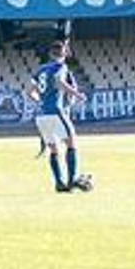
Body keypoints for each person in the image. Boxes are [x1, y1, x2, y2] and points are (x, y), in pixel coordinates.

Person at [31, 40, 92, 193]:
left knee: (54, 149)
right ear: (64, 53)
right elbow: (59, 82)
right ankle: (72, 181)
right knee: (71, 143)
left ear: (50, 54)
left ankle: (59, 183)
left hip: (41, 115)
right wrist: (77, 95)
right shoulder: (61, 67)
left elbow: (29, 91)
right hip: (56, 112)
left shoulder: (41, 69)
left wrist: (41, 101)